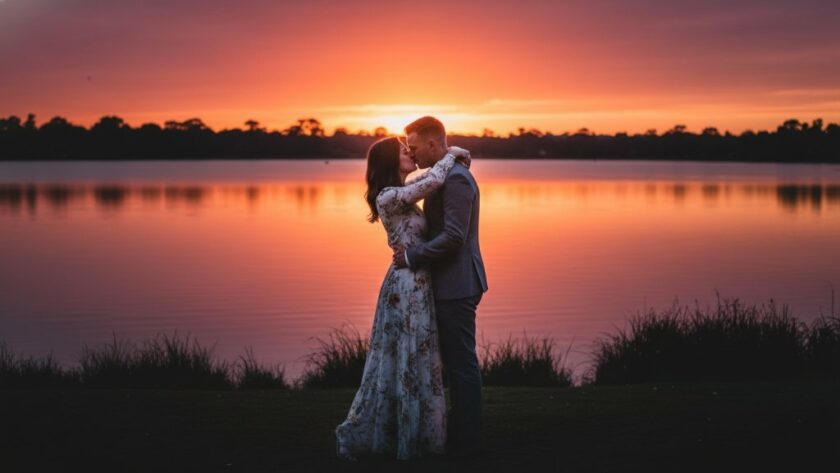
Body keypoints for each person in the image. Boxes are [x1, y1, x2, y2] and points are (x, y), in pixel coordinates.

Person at [335, 135, 472, 461]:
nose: (409, 152)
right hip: (405, 287)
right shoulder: (388, 197)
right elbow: (436, 178)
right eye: (402, 150)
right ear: (388, 161)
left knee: (419, 357)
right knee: (405, 359)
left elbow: (430, 177)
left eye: (409, 147)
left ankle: (420, 432)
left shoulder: (404, 192)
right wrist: (453, 153)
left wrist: (451, 153)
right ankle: (400, 435)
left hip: (419, 283)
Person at [393, 116, 489, 458]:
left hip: (458, 284)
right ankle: (457, 429)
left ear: (434, 144)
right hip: (447, 283)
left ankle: (468, 439)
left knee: (461, 362)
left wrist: (410, 256)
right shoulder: (443, 175)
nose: (412, 153)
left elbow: (453, 237)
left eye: (415, 147)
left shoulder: (458, 180)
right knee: (451, 361)